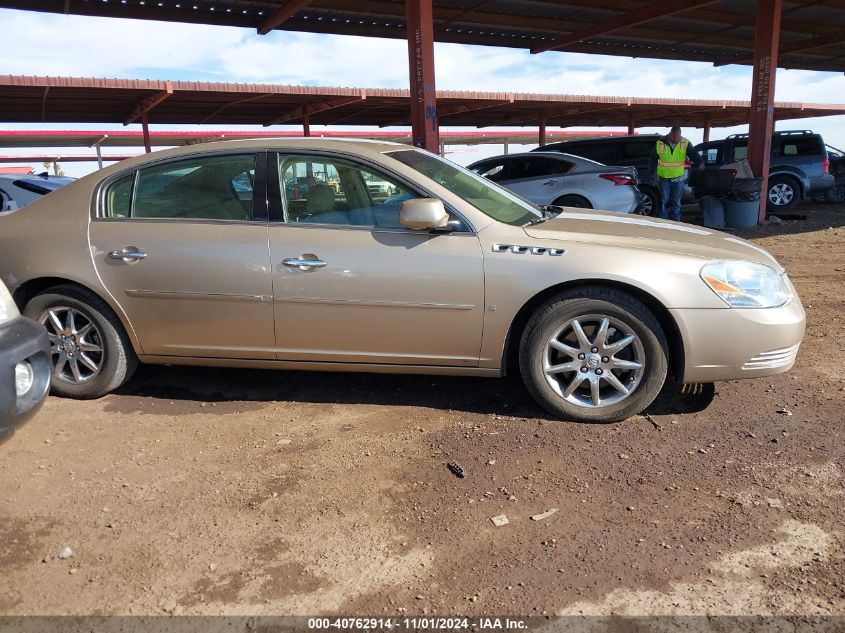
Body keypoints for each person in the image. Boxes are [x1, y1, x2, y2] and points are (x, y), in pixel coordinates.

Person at [650, 126, 704, 221]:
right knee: (664, 198)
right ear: (670, 134)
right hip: (664, 176)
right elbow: (653, 158)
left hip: (679, 176)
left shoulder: (685, 142)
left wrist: (700, 162)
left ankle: (676, 218)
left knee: (677, 200)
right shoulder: (660, 143)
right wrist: (652, 172)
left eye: (678, 137)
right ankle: (663, 217)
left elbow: (693, 153)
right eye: (674, 137)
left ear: (680, 135)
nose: (676, 139)